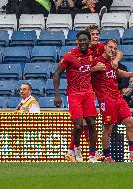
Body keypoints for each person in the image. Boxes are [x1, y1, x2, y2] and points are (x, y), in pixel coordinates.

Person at [63, 25, 123, 162]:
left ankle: (77, 152)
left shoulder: (101, 47)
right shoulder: (81, 51)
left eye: (97, 34)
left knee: (89, 122)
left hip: (93, 89)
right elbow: (80, 70)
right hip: (82, 89)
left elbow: (119, 53)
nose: (95, 37)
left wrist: (115, 60)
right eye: (92, 34)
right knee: (82, 122)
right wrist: (94, 68)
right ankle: (78, 151)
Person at [91, 39, 133, 162]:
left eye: (115, 48)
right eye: (110, 47)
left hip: (117, 97)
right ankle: (106, 156)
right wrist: (94, 69)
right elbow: (85, 73)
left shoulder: (111, 62)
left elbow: (117, 72)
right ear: (104, 47)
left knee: (130, 122)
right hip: (106, 99)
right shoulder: (97, 61)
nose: (113, 50)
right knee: (108, 128)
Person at [53, 31, 98, 163]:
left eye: (85, 40)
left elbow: (109, 48)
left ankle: (92, 155)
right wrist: (57, 95)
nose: (83, 43)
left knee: (92, 123)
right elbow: (57, 74)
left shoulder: (92, 54)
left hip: (88, 93)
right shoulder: (69, 56)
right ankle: (77, 150)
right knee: (78, 126)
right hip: (74, 94)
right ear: (77, 41)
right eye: (80, 40)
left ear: (89, 42)